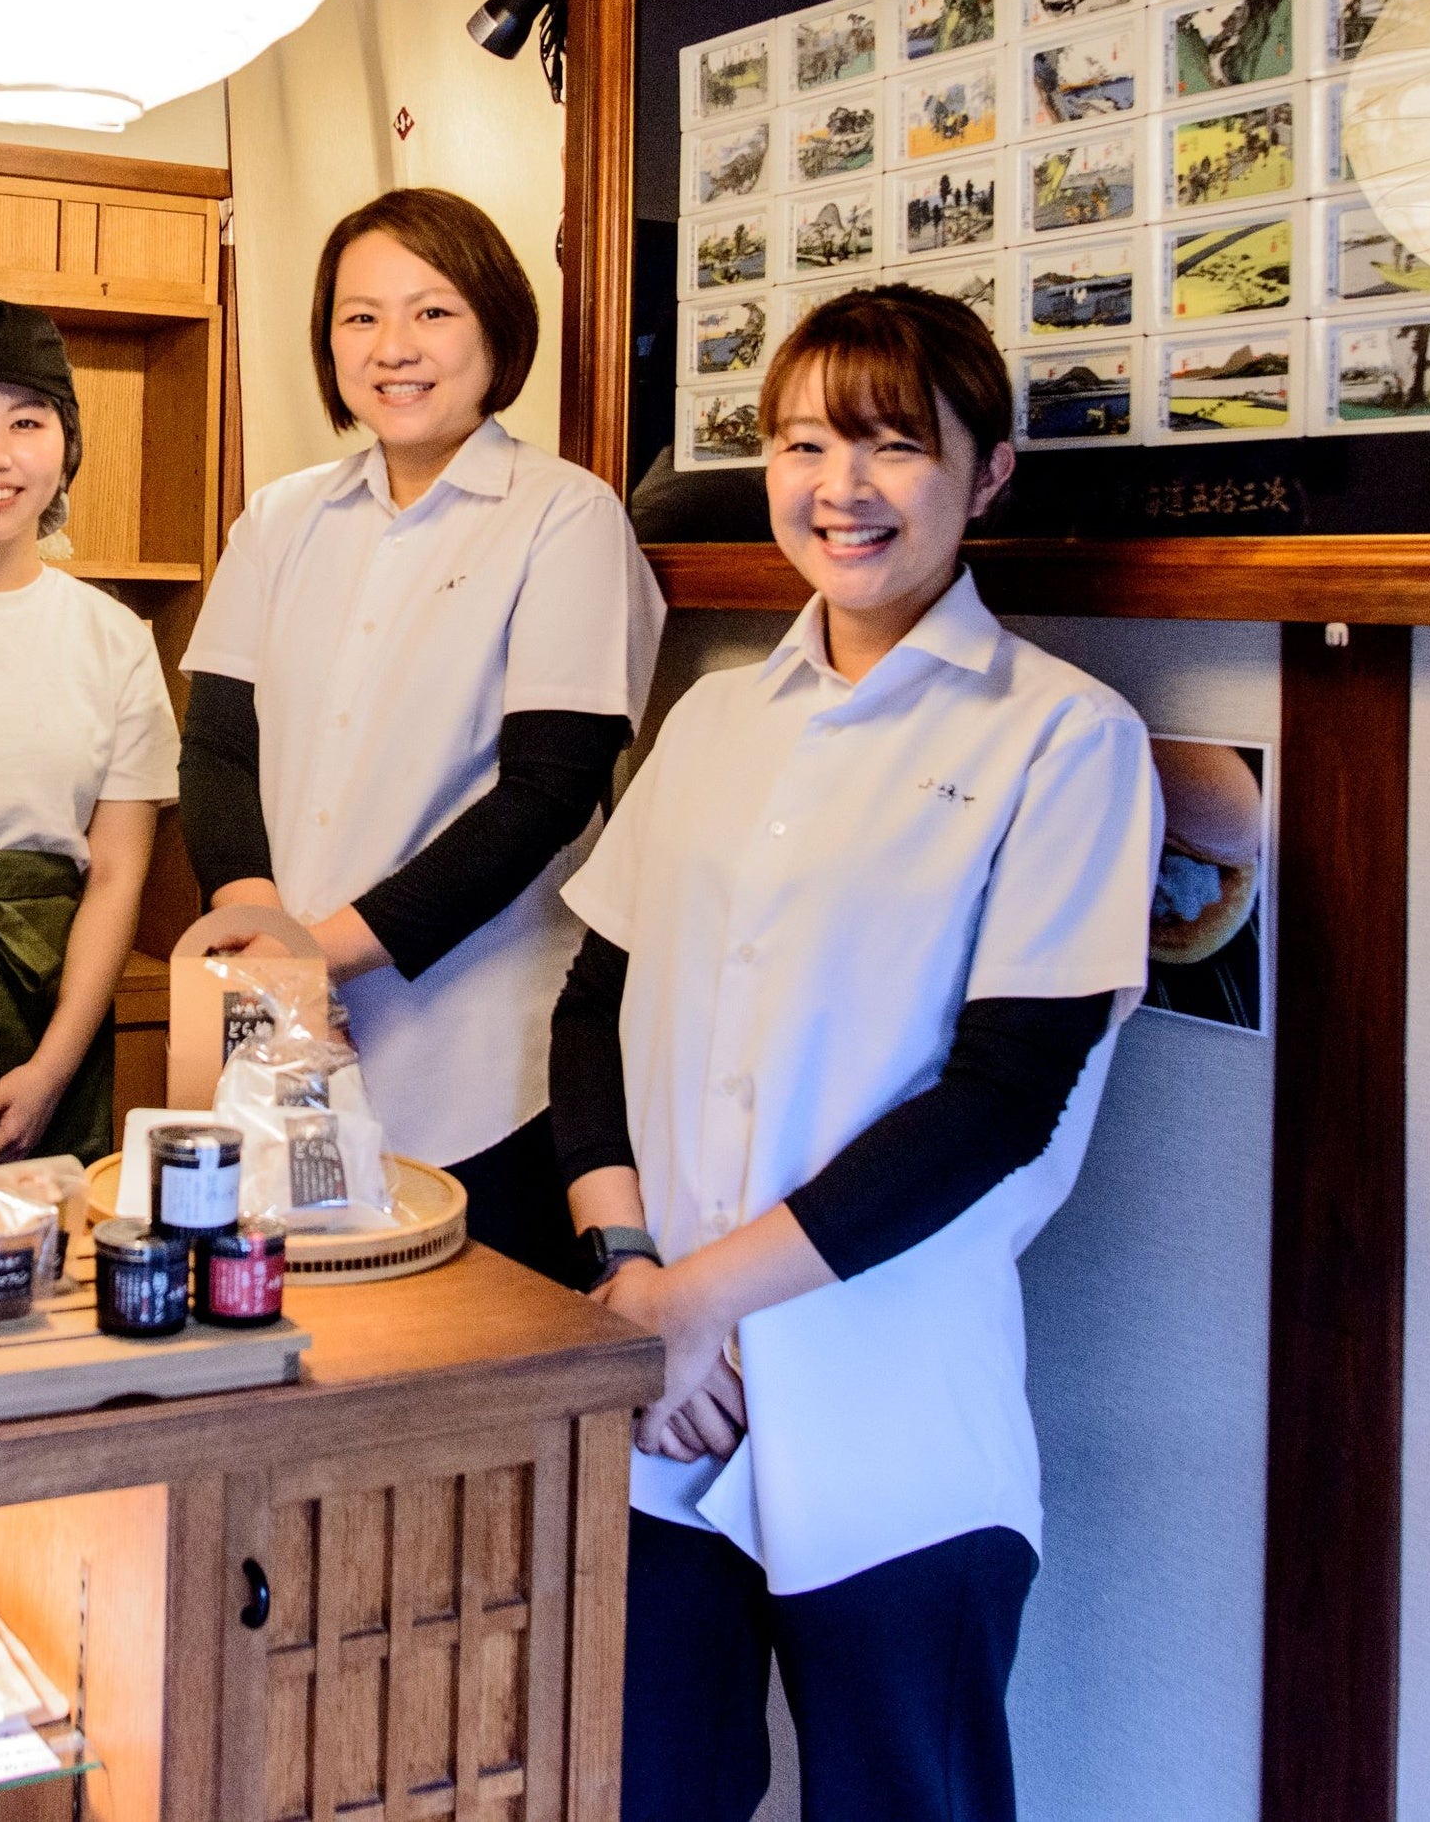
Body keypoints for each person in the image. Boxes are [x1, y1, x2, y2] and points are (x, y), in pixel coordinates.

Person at [547, 284, 1157, 1822]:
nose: (842, 486)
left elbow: (998, 1105)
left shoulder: (1063, 737)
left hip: (890, 1392)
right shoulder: (710, 719)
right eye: (805, 440)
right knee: (640, 1790)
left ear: (989, 469)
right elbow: (590, 1005)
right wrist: (629, 1265)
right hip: (669, 1402)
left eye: (893, 443)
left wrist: (693, 1296)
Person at [170, 188, 663, 1280]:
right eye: (359, 316)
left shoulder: (565, 516)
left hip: (481, 1059)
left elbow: (549, 790)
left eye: (431, 312)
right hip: (284, 1041)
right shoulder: (281, 517)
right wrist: (263, 933)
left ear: (497, 328)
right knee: (294, 1356)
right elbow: (216, 748)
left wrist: (315, 955)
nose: (393, 347)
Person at [0, 300, 178, 1168]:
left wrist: (51, 1068)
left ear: (66, 445)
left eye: (26, 420)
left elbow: (120, 872)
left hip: (58, 1002)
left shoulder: (116, 636)